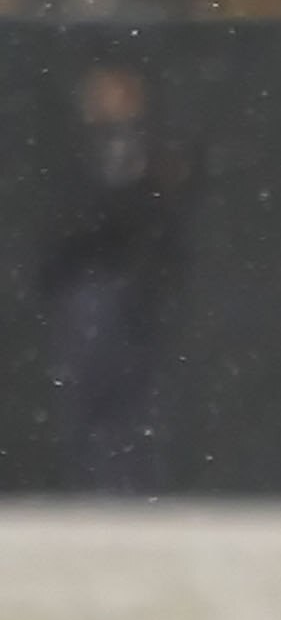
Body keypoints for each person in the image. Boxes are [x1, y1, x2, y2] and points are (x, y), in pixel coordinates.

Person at [38, 65, 187, 493]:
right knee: (87, 392)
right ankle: (91, 485)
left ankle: (130, 485)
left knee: (134, 396)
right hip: (88, 286)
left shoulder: (152, 151)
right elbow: (67, 218)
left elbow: (158, 217)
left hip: (133, 286)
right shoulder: (76, 151)